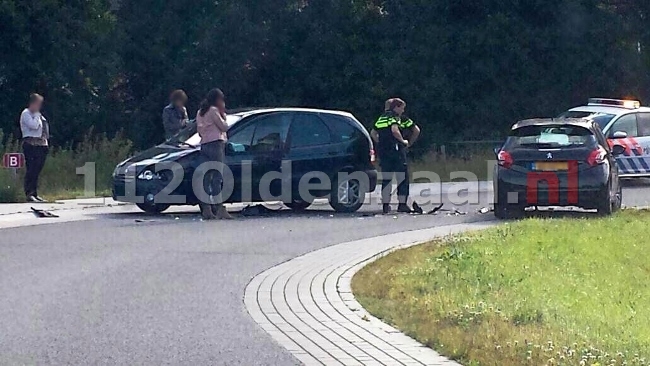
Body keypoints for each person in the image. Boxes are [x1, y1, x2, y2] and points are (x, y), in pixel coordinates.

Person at [195, 88, 233, 220]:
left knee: (206, 177)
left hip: (204, 144)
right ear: (217, 99)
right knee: (217, 177)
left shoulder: (200, 112)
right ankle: (219, 208)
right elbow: (224, 127)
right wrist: (223, 114)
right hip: (216, 144)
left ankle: (206, 209)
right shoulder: (214, 111)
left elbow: (199, 131)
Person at [371, 98, 412, 214]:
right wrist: (403, 141)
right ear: (396, 107)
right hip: (396, 151)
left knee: (387, 179)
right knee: (402, 177)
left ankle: (385, 205)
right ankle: (402, 204)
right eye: (402, 108)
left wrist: (380, 142)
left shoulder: (381, 118)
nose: (403, 111)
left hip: (384, 152)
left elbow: (373, 133)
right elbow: (394, 130)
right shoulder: (394, 117)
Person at [20, 93, 50, 203]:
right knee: (31, 169)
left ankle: (35, 193)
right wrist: (37, 115)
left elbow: (44, 127)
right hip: (31, 145)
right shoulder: (26, 113)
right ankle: (29, 193)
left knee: (37, 170)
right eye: (38, 104)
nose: (39, 106)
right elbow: (33, 125)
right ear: (33, 103)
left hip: (41, 145)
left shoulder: (39, 115)